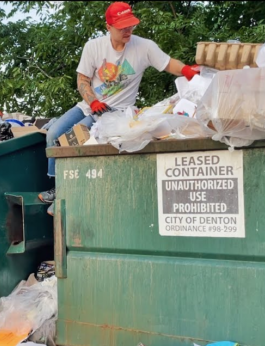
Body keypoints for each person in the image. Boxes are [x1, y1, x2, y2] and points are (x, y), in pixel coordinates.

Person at [39, 2, 201, 215]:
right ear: (109, 26)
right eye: (122, 27)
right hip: (90, 105)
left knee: (75, 138)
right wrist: (92, 101)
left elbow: (168, 63)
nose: (127, 31)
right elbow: (82, 80)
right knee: (54, 133)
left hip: (115, 114)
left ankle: (64, 195)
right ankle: (56, 186)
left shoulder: (144, 47)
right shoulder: (94, 47)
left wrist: (187, 70)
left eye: (130, 26)